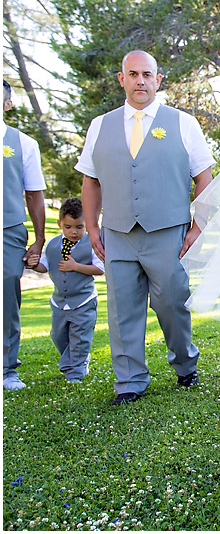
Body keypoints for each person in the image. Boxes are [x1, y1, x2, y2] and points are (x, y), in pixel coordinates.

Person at [76, 50, 214, 406]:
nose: (140, 81)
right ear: (122, 79)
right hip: (117, 234)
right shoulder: (99, 126)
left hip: (168, 232)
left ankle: (185, 364)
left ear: (158, 79)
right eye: (133, 74)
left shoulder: (183, 123)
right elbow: (91, 182)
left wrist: (198, 226)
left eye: (147, 74)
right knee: (122, 310)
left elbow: (204, 178)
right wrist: (92, 228)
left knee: (172, 304)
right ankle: (130, 382)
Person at [3, 79, 47, 391]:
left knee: (7, 301)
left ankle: (7, 369)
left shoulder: (23, 144)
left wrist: (40, 238)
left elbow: (34, 195)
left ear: (7, 103)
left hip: (8, 232)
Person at [33, 198, 104, 383]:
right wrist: (34, 265)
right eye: (68, 227)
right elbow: (44, 266)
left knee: (79, 338)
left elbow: (100, 269)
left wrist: (76, 266)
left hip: (83, 301)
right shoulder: (52, 244)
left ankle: (75, 372)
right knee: (58, 336)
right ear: (59, 224)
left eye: (79, 227)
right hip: (59, 302)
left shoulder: (92, 244)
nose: (74, 231)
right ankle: (76, 361)